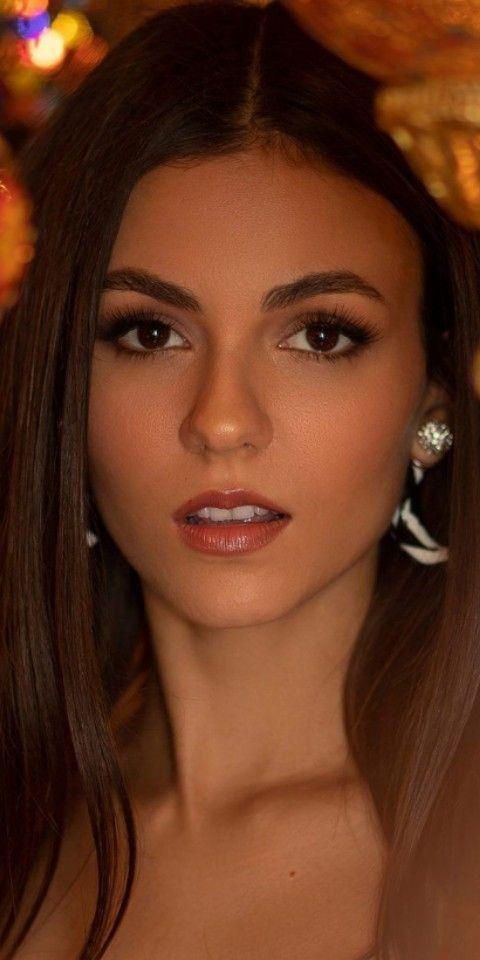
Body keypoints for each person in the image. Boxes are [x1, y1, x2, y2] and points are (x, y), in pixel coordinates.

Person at [1, 1, 479, 957]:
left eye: (321, 335)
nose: (221, 421)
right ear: (64, 381)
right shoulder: (24, 819)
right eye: (149, 333)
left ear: (432, 391)